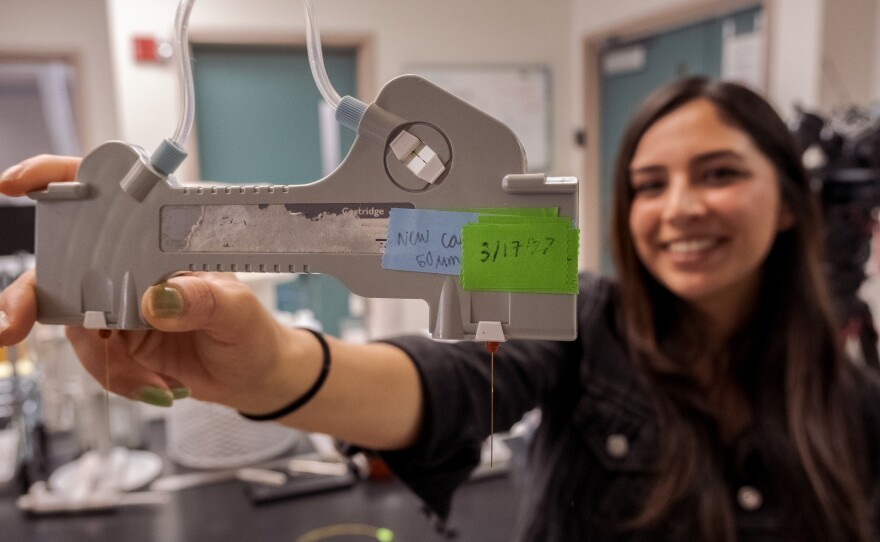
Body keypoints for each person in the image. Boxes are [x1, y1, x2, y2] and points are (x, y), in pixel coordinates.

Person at [1, 76, 878, 541]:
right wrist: (270, 367)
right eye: (649, 184)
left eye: (719, 174)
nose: (680, 207)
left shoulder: (859, 404)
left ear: (793, 200)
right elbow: (440, 384)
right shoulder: (588, 320)